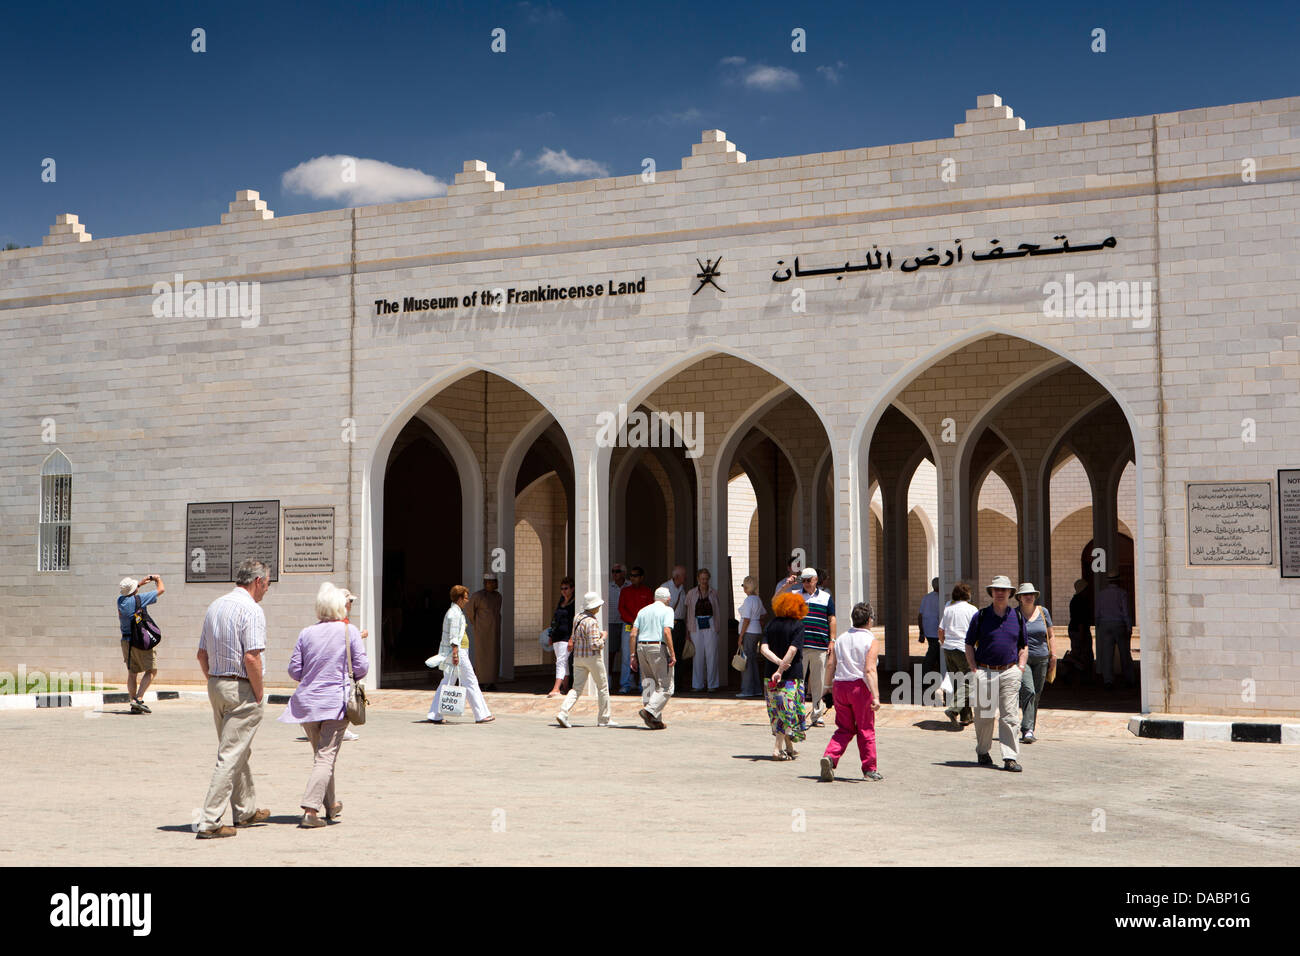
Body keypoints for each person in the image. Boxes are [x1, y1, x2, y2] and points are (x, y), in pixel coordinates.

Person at [279, 582, 369, 828]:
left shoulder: (306, 633)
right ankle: (310, 810)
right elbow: (361, 668)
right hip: (335, 703)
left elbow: (294, 670)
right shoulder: (348, 631)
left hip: (307, 704)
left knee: (322, 756)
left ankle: (331, 805)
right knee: (326, 757)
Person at [194, 558, 272, 839]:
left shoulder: (216, 605)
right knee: (230, 755)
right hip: (241, 687)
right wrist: (259, 690)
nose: (267, 589)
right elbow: (252, 656)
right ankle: (210, 821)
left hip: (217, 684)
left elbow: (201, 654)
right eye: (267, 584)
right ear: (257, 582)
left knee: (238, 749)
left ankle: (245, 809)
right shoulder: (252, 610)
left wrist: (214, 680)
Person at [965, 575, 1027, 773]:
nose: (1000, 593)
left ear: (1010, 593)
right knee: (984, 716)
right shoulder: (981, 616)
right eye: (996, 590)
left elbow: (1023, 645)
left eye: (1004, 590)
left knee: (1009, 716)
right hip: (985, 670)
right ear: (991, 593)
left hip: (1010, 671)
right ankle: (983, 751)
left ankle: (1010, 757)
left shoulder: (1017, 617)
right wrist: (974, 667)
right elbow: (968, 643)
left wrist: (1021, 667)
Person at [819, 602, 883, 782]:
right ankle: (869, 768)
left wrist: (827, 688)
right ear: (869, 620)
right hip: (859, 687)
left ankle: (830, 757)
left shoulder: (841, 638)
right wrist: (876, 696)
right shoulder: (871, 640)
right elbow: (870, 669)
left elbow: (830, 664)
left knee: (845, 727)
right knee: (865, 728)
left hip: (840, 685)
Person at [428, 585, 495, 724]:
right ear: (459, 599)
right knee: (470, 680)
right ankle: (481, 714)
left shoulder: (455, 612)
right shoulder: (454, 614)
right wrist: (456, 654)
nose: (467, 600)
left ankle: (435, 714)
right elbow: (453, 636)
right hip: (458, 652)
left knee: (447, 681)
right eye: (465, 598)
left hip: (457, 652)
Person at [555, 591, 615, 728]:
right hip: (592, 658)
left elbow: (574, 637)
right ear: (594, 607)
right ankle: (604, 719)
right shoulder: (592, 621)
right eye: (598, 605)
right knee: (603, 687)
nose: (599, 608)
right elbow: (595, 644)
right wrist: (604, 637)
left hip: (578, 658)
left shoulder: (578, 617)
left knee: (576, 688)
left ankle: (563, 712)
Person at [761, 592, 808, 759]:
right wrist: (781, 669)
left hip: (769, 676)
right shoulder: (798, 626)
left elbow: (763, 649)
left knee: (776, 711)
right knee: (787, 712)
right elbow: (793, 650)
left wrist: (777, 663)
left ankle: (789, 746)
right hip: (790, 677)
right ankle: (777, 749)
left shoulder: (771, 624)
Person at [789, 568, 836, 727]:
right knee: (797, 681)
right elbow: (776, 602)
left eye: (809, 580)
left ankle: (817, 715)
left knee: (818, 682)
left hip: (819, 645)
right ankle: (797, 713)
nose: (806, 583)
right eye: (804, 580)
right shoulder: (795, 595)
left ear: (816, 580)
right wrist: (786, 585)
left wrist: (832, 640)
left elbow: (832, 619)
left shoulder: (826, 597)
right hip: (800, 645)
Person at [1014, 583, 1055, 744]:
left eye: (1031, 594)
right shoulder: (1015, 614)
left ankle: (1030, 728)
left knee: (1036, 695)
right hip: (1023, 659)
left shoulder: (1043, 612)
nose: (1028, 596)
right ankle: (1027, 729)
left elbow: (1050, 635)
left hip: (1042, 658)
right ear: (1019, 598)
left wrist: (1054, 655)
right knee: (1028, 691)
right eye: (1025, 594)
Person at [116, 574, 164, 714]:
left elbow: (130, 592)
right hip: (140, 640)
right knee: (151, 670)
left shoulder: (120, 601)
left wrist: (140, 584)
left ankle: (133, 702)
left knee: (132, 673)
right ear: (134, 590)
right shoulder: (139, 599)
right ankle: (139, 698)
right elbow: (161, 590)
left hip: (126, 641)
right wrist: (157, 579)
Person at [631, 586, 677, 729]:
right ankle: (649, 711)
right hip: (657, 647)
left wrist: (632, 655)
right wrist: (672, 653)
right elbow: (666, 631)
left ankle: (654, 720)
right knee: (666, 686)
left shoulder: (643, 610)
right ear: (668, 599)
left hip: (641, 647)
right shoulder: (668, 610)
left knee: (648, 683)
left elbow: (633, 634)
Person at [937, 582, 978, 725]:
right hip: (964, 648)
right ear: (967, 594)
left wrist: (944, 643)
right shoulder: (972, 610)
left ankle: (966, 716)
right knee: (969, 681)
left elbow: (941, 630)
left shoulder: (948, 609)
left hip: (949, 649)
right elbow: (977, 631)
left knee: (957, 682)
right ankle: (954, 709)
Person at [616, 566, 654, 694]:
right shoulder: (625, 591)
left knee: (643, 656)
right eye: (631, 576)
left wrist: (639, 622)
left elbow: (650, 609)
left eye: (636, 575)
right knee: (627, 656)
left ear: (641, 577)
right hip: (628, 626)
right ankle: (625, 684)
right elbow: (621, 608)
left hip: (644, 628)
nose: (633, 578)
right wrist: (632, 621)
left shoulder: (647, 591)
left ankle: (643, 685)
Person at [686, 568, 724, 692]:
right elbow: (688, 612)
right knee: (697, 655)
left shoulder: (714, 592)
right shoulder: (691, 593)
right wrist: (687, 631)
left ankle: (712, 684)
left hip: (711, 623)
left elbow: (717, 610)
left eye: (706, 578)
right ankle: (698, 684)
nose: (704, 581)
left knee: (711, 654)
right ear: (698, 579)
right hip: (696, 624)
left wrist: (717, 626)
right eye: (702, 578)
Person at [1095, 571, 1135, 690]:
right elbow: (1126, 612)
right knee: (1124, 653)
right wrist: (1129, 626)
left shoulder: (1101, 594)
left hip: (1105, 624)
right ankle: (1129, 678)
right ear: (1118, 581)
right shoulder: (1122, 593)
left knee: (1107, 654)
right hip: (1119, 624)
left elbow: (1097, 612)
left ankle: (1108, 680)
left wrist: (1098, 625)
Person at [467, 573, 502, 691]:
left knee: (494, 655)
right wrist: (477, 624)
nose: (494, 585)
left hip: (494, 631)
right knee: (482, 656)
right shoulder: (478, 596)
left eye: (495, 582)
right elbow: (469, 610)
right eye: (491, 582)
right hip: (481, 631)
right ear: (486, 583)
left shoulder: (498, 596)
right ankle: (481, 682)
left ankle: (492, 681)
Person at [660, 564, 691, 693]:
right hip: (668, 625)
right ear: (677, 576)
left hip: (680, 625)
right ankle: (667, 684)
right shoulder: (665, 588)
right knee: (668, 654)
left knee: (678, 654)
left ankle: (678, 683)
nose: (686, 578)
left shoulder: (683, 589)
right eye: (684, 575)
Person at [546, 576, 577, 698]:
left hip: (566, 637)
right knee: (562, 662)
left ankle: (556, 688)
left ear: (572, 589)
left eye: (566, 588)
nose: (564, 591)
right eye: (562, 588)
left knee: (561, 661)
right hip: (557, 636)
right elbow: (555, 620)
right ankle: (565, 687)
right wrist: (551, 635)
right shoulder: (561, 601)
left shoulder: (574, 603)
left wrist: (571, 639)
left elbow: (574, 622)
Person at [735, 576, 765, 698]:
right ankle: (756, 688)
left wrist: (740, 636)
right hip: (756, 630)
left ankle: (747, 689)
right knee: (752, 660)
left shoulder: (748, 601)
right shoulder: (757, 599)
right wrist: (758, 624)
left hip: (749, 632)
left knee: (746, 660)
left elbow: (746, 619)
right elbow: (763, 614)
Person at [1062, 578, 1095, 684]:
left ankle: (1077, 675)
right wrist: (1082, 634)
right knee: (1081, 654)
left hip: (1076, 629)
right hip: (1079, 631)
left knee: (1080, 653)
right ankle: (1076, 674)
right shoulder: (1080, 601)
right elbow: (1080, 619)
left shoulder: (1075, 600)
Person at [917, 577, 942, 702]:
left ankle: (936, 679)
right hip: (937, 632)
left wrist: (921, 632)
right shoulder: (940, 598)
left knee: (936, 655)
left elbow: (920, 616)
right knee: (931, 657)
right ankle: (925, 680)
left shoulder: (926, 598)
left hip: (928, 631)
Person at [606, 562, 628, 690]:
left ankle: (629, 680)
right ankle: (608, 679)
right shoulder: (608, 586)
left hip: (627, 622)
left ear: (623, 573)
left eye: (617, 571)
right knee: (611, 652)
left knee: (628, 652)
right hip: (612, 622)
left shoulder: (630, 585)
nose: (615, 574)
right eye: (613, 571)